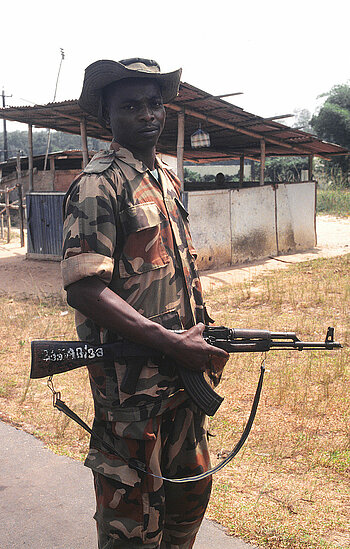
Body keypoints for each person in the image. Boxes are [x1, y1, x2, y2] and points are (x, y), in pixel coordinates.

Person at [61, 58, 228, 549]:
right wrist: (170, 342)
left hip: (182, 380)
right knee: (131, 524)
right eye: (131, 106)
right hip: (132, 391)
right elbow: (84, 288)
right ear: (106, 117)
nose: (148, 115)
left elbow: (177, 269)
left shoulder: (168, 178)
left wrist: (200, 333)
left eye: (155, 104)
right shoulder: (98, 185)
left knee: (189, 497)